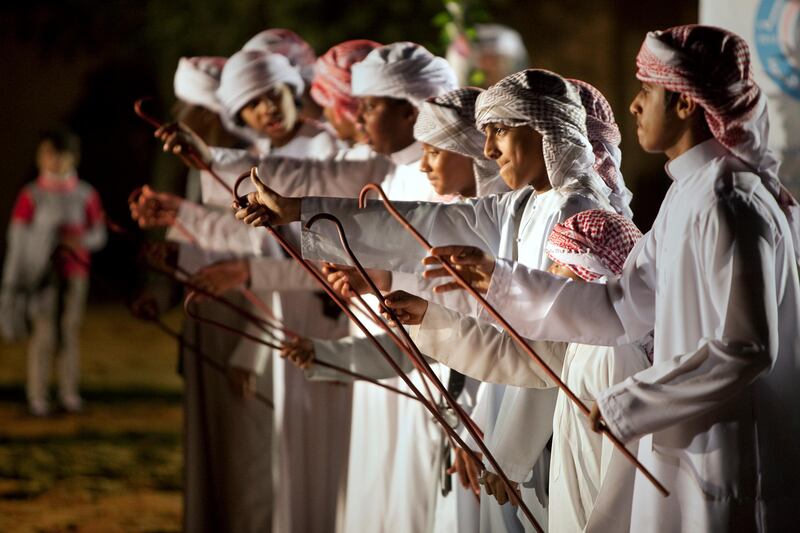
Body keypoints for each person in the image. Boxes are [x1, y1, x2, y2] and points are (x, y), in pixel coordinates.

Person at [416, 25, 800, 532]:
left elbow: (746, 348)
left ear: (685, 104)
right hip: (681, 447)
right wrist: (500, 280)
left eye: (646, 91)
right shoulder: (688, 194)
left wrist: (630, 402)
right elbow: (620, 306)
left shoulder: (733, 200)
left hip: (731, 455)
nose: (635, 107)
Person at [234, 68, 615, 531]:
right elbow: (421, 225)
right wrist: (299, 211)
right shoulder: (523, 204)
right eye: (485, 135)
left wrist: (509, 454)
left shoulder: (580, 214)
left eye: (499, 132)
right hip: (504, 414)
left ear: (543, 130)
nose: (490, 151)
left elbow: (559, 353)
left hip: (554, 431)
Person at [380, 209, 650, 532]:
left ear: (588, 272)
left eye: (558, 263)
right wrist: (428, 316)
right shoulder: (581, 343)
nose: (548, 272)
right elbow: (510, 353)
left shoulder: (616, 355)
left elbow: (623, 480)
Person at [1, 128, 106, 416]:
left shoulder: (85, 194)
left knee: (68, 331)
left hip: (75, 274)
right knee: (44, 333)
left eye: (60, 154)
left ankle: (68, 393)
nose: (54, 160)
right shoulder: (32, 195)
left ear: (73, 157)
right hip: (41, 276)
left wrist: (79, 240)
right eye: (48, 153)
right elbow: (19, 238)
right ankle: (37, 395)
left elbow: (99, 233)